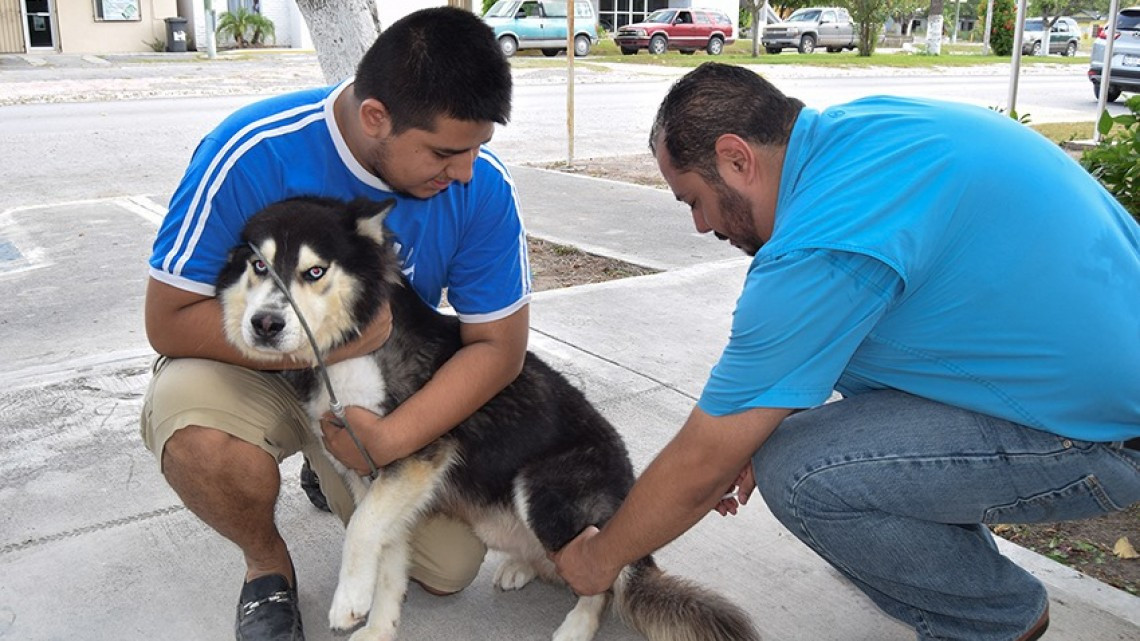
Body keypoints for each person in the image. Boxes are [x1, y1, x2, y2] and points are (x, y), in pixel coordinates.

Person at [551, 62, 1140, 641]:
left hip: (1104, 434)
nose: (702, 226)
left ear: (736, 159)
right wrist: (763, 417)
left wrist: (601, 558)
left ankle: (992, 621)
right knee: (794, 437)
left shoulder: (821, 246)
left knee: (805, 475)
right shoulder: (866, 133)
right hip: (1098, 383)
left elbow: (704, 463)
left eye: (693, 200)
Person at [140, 8, 530, 641]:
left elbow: (500, 348)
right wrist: (312, 346)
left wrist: (392, 437)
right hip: (256, 364)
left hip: (375, 389)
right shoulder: (252, 151)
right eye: (444, 151)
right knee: (196, 436)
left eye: (477, 148)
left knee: (448, 569)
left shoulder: (480, 186)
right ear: (376, 117)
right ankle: (266, 566)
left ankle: (330, 470)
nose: (462, 171)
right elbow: (167, 320)